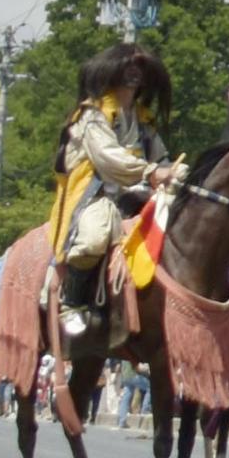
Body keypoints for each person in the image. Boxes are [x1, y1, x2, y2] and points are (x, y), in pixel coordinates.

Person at [46, 44, 170, 342]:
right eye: (128, 67)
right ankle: (72, 302)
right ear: (112, 71)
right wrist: (150, 172)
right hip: (96, 194)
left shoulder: (142, 119)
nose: (134, 74)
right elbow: (108, 157)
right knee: (94, 237)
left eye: (139, 69)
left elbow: (161, 156)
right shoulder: (91, 116)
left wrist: (174, 173)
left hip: (137, 196)